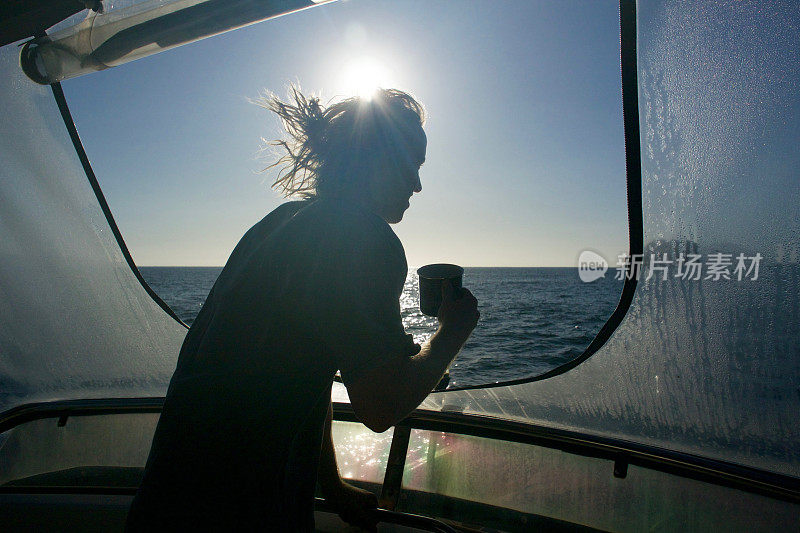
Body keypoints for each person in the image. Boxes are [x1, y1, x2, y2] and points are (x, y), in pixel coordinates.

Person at [125, 87, 479, 532]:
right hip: (239, 510)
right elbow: (381, 406)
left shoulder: (277, 224)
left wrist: (332, 490)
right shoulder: (363, 237)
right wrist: (453, 331)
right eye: (412, 164)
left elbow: (302, 380)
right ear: (376, 160)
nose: (417, 184)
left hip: (169, 497)